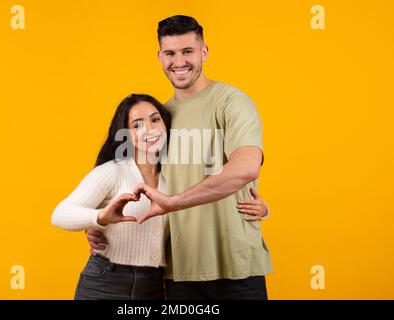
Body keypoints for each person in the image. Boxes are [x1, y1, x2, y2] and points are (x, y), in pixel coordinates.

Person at [88, 15, 273, 300]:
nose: (179, 61)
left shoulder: (231, 101)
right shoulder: (157, 118)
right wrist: (97, 222)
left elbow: (247, 167)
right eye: (170, 53)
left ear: (204, 52)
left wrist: (175, 203)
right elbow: (129, 181)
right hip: (179, 272)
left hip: (237, 267)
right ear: (159, 56)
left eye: (187, 51)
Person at [52, 94, 270, 300]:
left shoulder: (175, 178)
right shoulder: (114, 171)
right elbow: (60, 214)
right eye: (137, 124)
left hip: (155, 287)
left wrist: (263, 209)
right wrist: (99, 218)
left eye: (155, 119)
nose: (149, 129)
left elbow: (205, 203)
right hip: (107, 282)